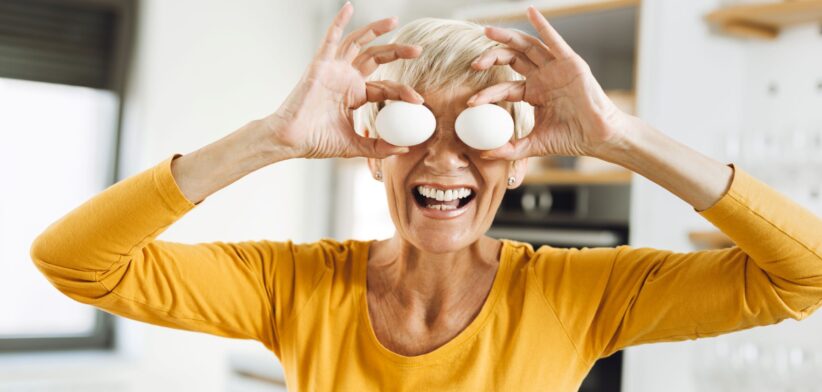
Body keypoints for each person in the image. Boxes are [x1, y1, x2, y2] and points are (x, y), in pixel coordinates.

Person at [30, 3, 822, 391]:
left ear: (515, 162)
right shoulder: (295, 287)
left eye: (476, 133)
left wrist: (618, 135)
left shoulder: (579, 295)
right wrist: (270, 136)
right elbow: (73, 262)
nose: (443, 158)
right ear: (372, 156)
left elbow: (806, 274)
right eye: (414, 128)